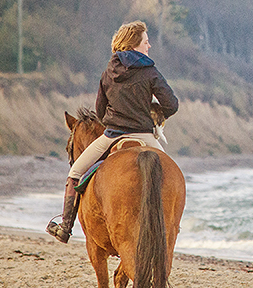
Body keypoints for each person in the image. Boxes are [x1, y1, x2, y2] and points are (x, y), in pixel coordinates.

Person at [46, 20, 178, 243]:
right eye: (146, 41)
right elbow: (172, 104)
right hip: (145, 136)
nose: (149, 46)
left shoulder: (109, 70)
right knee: (171, 176)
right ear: (135, 44)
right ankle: (172, 225)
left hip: (112, 136)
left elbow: (99, 110)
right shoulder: (150, 71)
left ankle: (65, 227)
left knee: (75, 173)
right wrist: (154, 111)